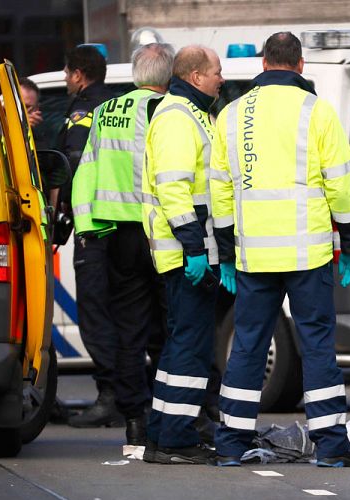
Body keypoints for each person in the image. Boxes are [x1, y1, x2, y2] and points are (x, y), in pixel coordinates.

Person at [210, 32, 350, 468]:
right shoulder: (316, 112)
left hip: (253, 256)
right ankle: (331, 446)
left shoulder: (230, 115)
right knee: (317, 345)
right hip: (307, 254)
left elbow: (219, 192)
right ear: (300, 66)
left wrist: (225, 252)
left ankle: (231, 443)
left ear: (263, 63)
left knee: (247, 346)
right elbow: (341, 183)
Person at [71, 43, 175, 446]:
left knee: (129, 331)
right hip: (161, 232)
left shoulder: (104, 112)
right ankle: (172, 414)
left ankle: (135, 417)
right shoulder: (167, 111)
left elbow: (86, 171)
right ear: (167, 77)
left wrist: (89, 226)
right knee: (170, 329)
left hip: (118, 235)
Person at [141, 45, 226, 465]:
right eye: (216, 72)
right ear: (195, 76)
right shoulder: (177, 117)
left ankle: (162, 435)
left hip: (192, 252)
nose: (221, 79)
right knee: (189, 348)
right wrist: (194, 247)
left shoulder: (193, 114)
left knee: (181, 347)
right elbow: (174, 189)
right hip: (187, 253)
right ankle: (174, 439)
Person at [56, 45, 122, 429]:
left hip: (94, 228)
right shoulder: (115, 106)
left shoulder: (83, 111)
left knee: (97, 314)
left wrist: (61, 206)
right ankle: (130, 395)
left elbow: (75, 163)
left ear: (79, 74)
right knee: (127, 314)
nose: (66, 80)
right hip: (124, 225)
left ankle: (110, 396)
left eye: (67, 73)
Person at [18, 77, 45, 147]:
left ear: (37, 109)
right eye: (19, 105)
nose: (23, 111)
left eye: (27, 107)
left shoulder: (39, 136)